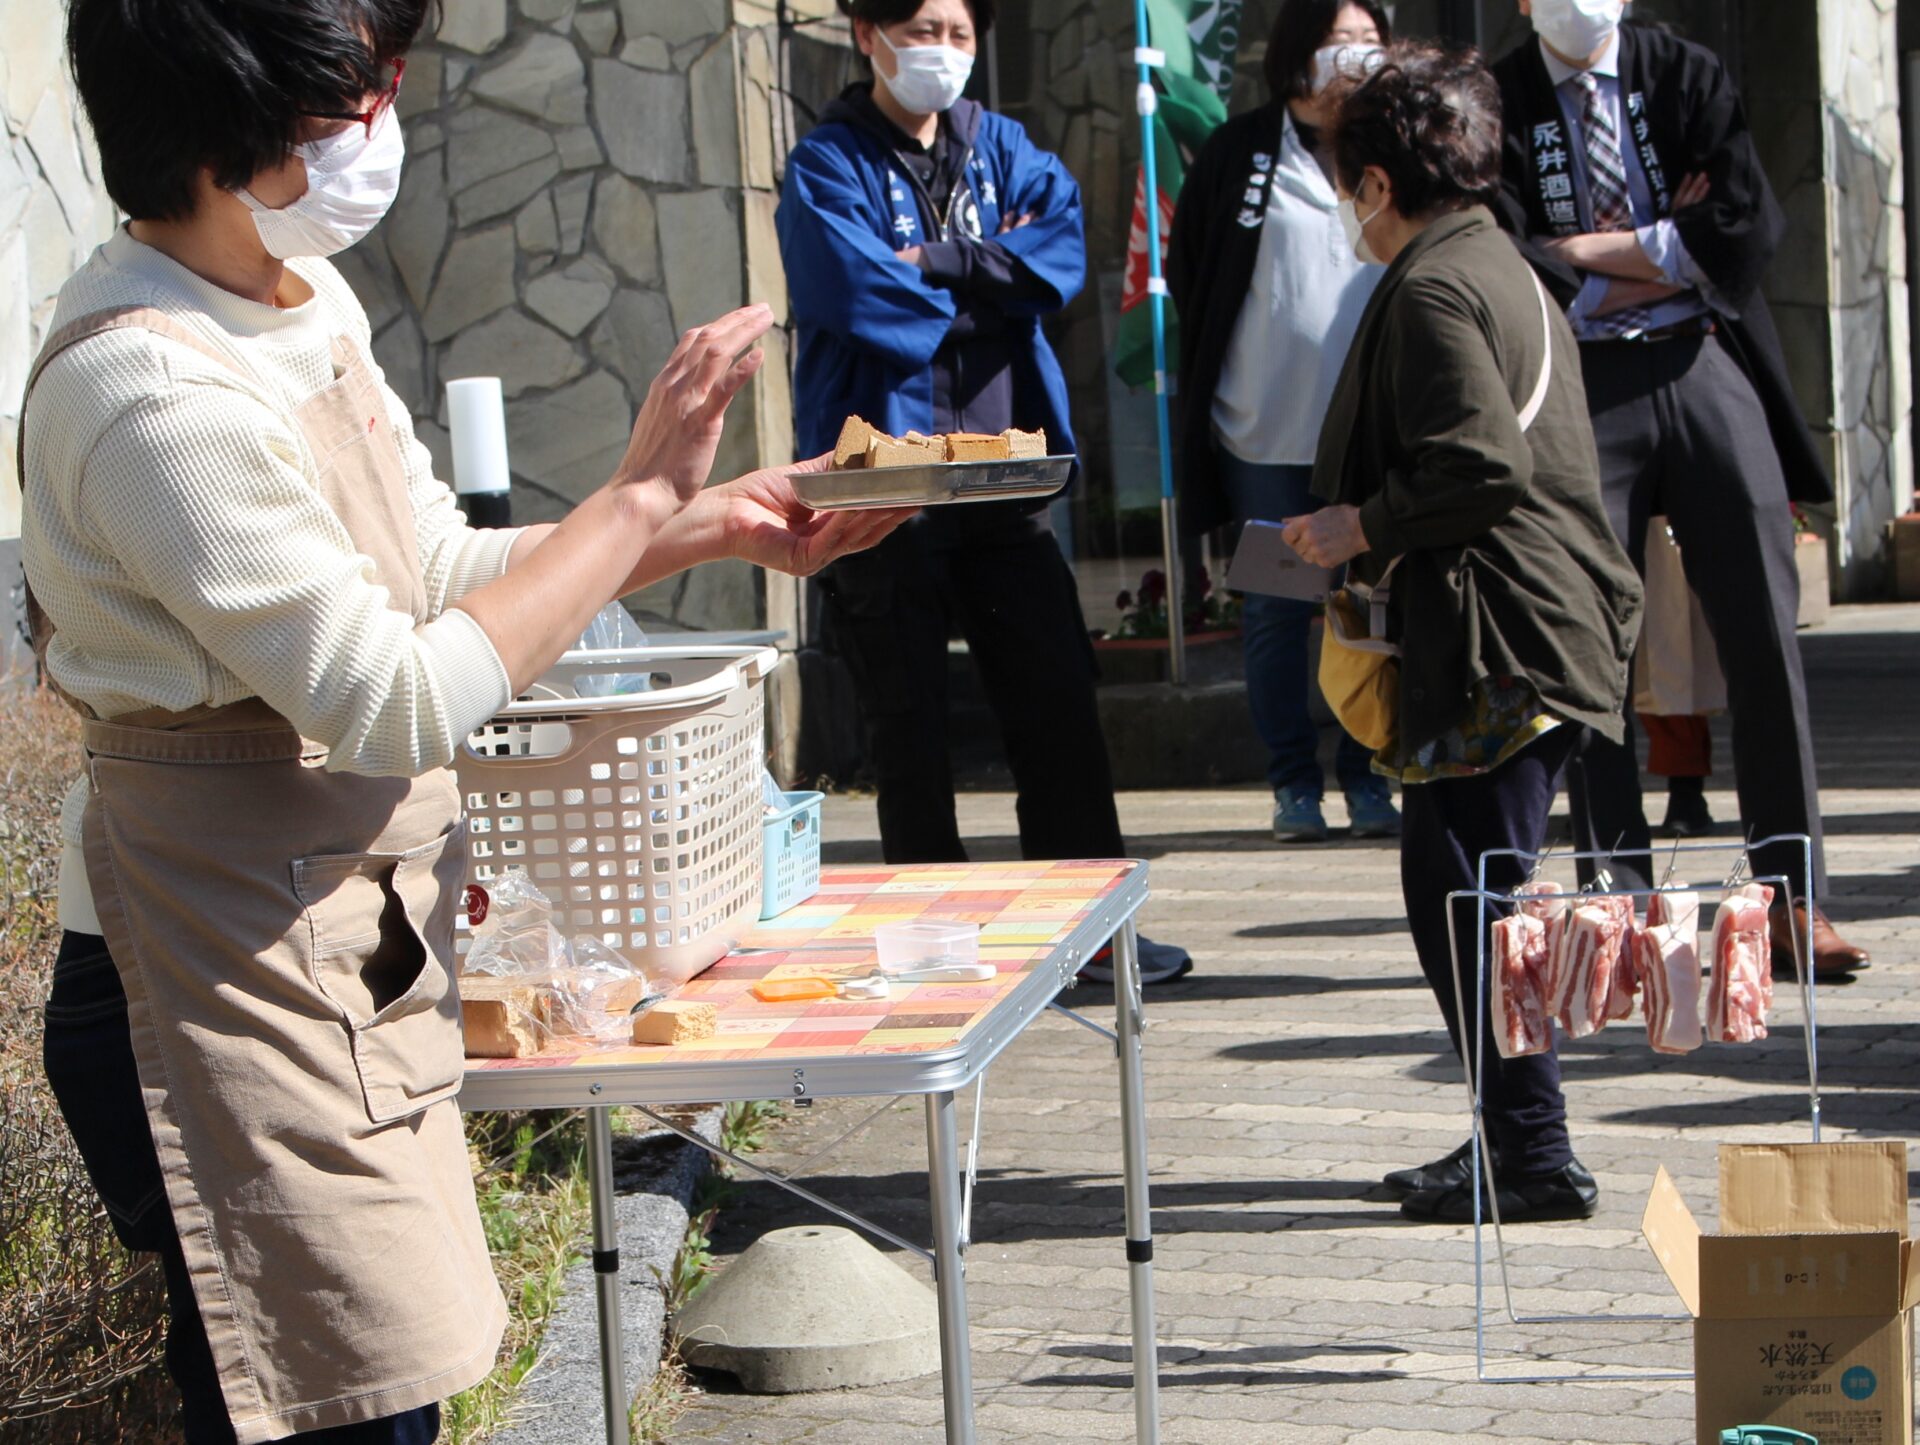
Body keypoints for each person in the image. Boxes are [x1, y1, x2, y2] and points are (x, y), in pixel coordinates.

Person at [27, 3, 907, 1439]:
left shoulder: (301, 297)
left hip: (335, 939)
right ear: (228, 114)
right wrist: (634, 494)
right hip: (194, 972)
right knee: (331, 1403)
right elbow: (387, 694)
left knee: (392, 1387)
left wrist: (708, 523)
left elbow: (432, 569)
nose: (386, 121)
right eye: (355, 95)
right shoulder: (146, 388)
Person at [1285, 42, 1643, 1223]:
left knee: (1475, 900)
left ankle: (1535, 1154)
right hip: (1526, 630)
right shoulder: (1495, 259)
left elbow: (1481, 465)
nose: (1346, 205)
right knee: (1462, 889)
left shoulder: (1439, 286)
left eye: (1346, 182)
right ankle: (1512, 1133)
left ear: (1379, 183)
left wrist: (1358, 523)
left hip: (1505, 642)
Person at [777, 0, 1191, 984]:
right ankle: (935, 944)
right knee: (908, 735)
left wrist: (945, 260)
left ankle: (1091, 931)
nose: (944, 51)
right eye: (923, 28)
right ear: (869, 34)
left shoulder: (1002, 146)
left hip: (1007, 489)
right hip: (885, 492)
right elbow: (854, 292)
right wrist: (992, 287)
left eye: (960, 33)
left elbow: (1058, 254)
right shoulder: (826, 163)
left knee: (1058, 711)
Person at [1490, 0, 1869, 978]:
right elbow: (1512, 252)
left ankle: (1792, 896)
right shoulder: (1500, 98)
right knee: (1592, 645)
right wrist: (1665, 251)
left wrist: (1587, 254)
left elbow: (1738, 225)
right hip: (1579, 379)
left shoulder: (1683, 73)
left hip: (1701, 354)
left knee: (1764, 625)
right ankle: (1616, 906)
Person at [1168, 0, 1401, 845]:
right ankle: (1293, 783)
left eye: (1371, 42)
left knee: (1370, 607)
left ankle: (1369, 776)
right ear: (1299, 52)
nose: (1356, 56)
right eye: (1341, 41)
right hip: (1263, 430)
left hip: (1369, 435)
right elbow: (1193, 272)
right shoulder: (1239, 150)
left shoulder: (1393, 147)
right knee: (1274, 611)